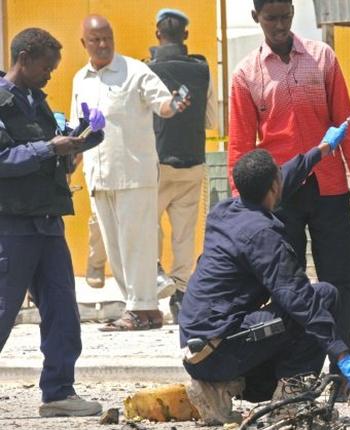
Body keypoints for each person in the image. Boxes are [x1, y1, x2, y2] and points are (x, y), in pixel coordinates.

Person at [228, 0, 350, 391]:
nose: (279, 25)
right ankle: (291, 370)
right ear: (255, 17)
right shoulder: (245, 73)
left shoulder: (322, 58)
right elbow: (241, 144)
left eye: (285, 16)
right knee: (284, 285)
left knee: (340, 280)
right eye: (271, 18)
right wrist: (241, 200)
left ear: (294, 12)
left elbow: (345, 120)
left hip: (328, 187)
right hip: (278, 195)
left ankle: (342, 367)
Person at [179, 130, 350, 425]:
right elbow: (298, 297)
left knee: (281, 322)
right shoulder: (263, 235)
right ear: (273, 187)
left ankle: (223, 387)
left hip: (197, 344)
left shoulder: (223, 212)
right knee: (323, 298)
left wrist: (321, 150)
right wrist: (341, 353)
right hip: (221, 349)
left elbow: (282, 179)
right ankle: (290, 401)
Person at [0, 27, 103, 417]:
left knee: (62, 311)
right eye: (46, 67)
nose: (50, 75)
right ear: (24, 58)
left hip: (47, 223)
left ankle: (59, 391)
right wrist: (47, 148)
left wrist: (80, 141)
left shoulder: (36, 103)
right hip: (12, 226)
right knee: (3, 311)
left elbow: (50, 152)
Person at [71, 15, 189, 331]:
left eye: (107, 37)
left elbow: (162, 103)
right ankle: (144, 310)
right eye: (95, 40)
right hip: (98, 175)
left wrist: (175, 104)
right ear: (84, 43)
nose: (103, 44)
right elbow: (77, 128)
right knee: (115, 248)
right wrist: (71, 163)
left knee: (137, 244)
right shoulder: (80, 79)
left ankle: (140, 308)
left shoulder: (134, 71)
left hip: (134, 175)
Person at [148, 8, 216, 321]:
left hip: (157, 163)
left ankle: (153, 278)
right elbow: (211, 120)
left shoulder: (146, 70)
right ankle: (180, 297)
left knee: (147, 227)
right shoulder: (202, 70)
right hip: (193, 162)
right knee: (184, 235)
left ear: (157, 34)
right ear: (185, 36)